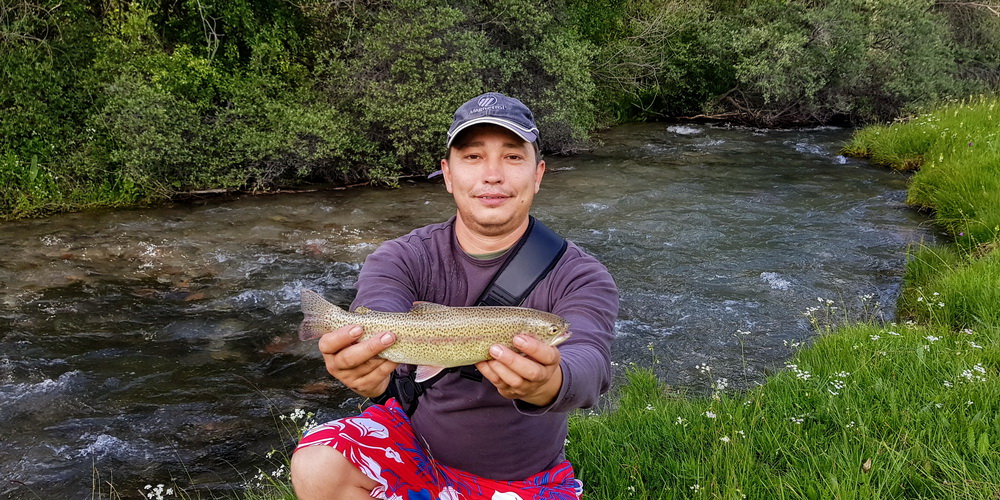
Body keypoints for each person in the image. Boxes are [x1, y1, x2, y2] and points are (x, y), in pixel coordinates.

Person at [290, 92, 619, 500]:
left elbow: (590, 360)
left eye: (513, 156)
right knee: (317, 464)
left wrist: (553, 381)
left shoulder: (581, 274)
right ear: (447, 174)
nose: (493, 175)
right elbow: (378, 307)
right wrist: (363, 358)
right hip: (414, 449)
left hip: (524, 477)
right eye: (473, 156)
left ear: (538, 174)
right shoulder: (402, 256)